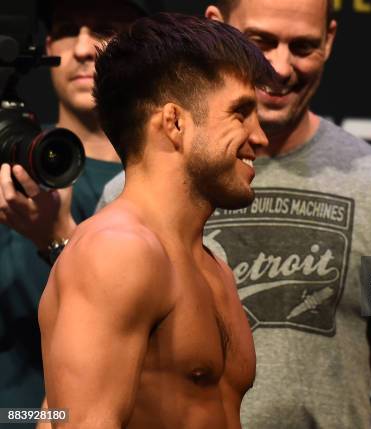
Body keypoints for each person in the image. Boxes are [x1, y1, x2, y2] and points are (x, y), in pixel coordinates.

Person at [97, 0, 371, 427]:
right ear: (217, 27)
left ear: (330, 40)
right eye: (261, 43)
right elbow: (71, 405)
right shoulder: (124, 211)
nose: (279, 67)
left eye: (302, 46)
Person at [39, 12, 275, 428]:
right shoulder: (118, 251)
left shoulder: (213, 266)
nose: (260, 137)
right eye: (241, 113)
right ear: (175, 122)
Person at [0, 0, 145, 414]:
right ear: (46, 45)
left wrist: (58, 237)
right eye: (67, 28)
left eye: (103, 28)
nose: (83, 48)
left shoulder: (170, 182)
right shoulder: (5, 159)